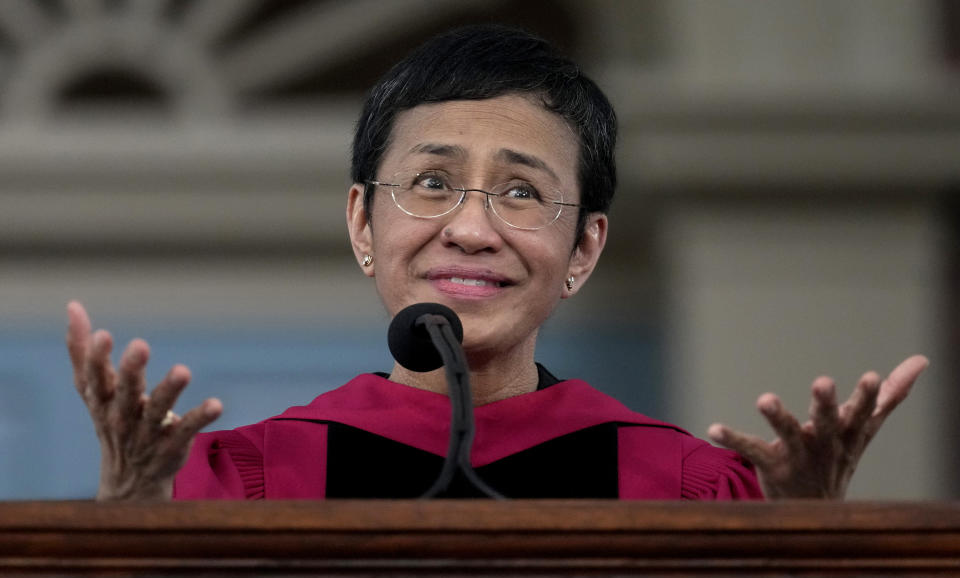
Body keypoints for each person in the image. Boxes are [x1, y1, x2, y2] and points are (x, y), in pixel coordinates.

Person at [65, 25, 927, 501]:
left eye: (520, 193)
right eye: (432, 183)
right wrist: (131, 514)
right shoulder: (252, 479)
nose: (472, 230)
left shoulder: (684, 486)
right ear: (363, 222)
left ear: (584, 246)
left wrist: (807, 538)